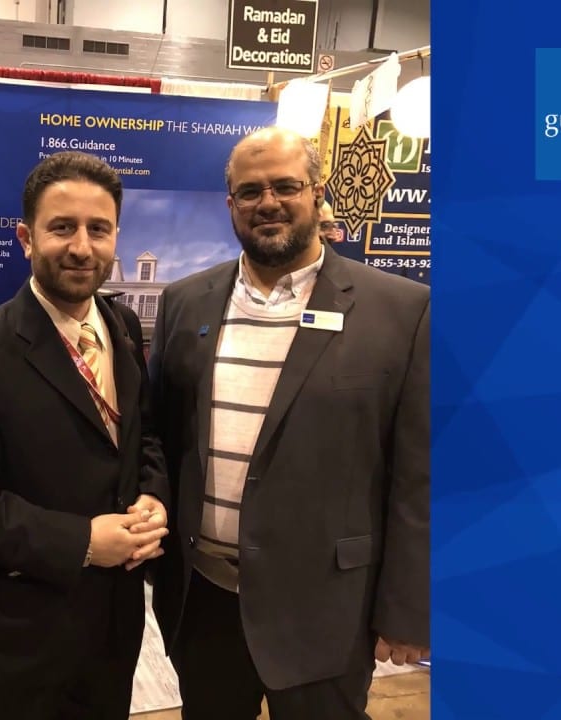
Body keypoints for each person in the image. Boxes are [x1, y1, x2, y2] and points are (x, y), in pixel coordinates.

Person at [147, 126, 429, 719]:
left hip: (326, 609)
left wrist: (407, 609)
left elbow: (418, 477)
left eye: (284, 186)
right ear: (230, 205)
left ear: (317, 193)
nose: (267, 203)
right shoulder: (185, 302)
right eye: (249, 192)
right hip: (205, 602)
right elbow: (164, 441)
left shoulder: (402, 311)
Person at [0, 151, 170, 719]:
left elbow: (143, 433)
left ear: (115, 239)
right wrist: (82, 540)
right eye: (62, 228)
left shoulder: (122, 325)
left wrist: (153, 494)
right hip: (26, 637)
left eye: (98, 229)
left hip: (115, 622)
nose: (82, 246)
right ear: (26, 238)